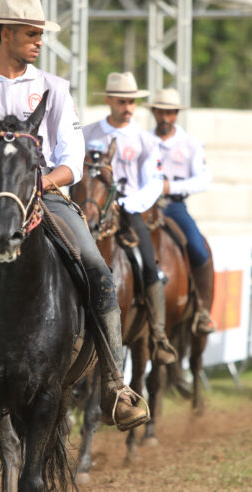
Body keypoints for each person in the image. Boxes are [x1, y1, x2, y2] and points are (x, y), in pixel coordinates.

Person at [0, 0, 149, 441]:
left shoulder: (55, 88)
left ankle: (117, 386)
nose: (39, 41)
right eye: (31, 34)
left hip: (50, 199)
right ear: (6, 33)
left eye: (41, 34)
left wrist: (34, 188)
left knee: (98, 269)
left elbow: (73, 161)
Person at [83, 72, 179, 365]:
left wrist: (128, 202)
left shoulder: (145, 140)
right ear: (109, 100)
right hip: (90, 208)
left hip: (128, 210)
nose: (128, 106)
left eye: (132, 101)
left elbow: (154, 181)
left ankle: (159, 335)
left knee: (148, 263)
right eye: (122, 100)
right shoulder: (87, 133)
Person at [145, 88, 215, 336]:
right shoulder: (143, 140)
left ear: (177, 115)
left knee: (197, 247)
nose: (165, 117)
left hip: (173, 206)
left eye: (170, 113)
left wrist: (170, 186)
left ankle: (203, 310)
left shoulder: (191, 145)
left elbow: (204, 180)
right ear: (154, 112)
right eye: (161, 112)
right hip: (143, 205)